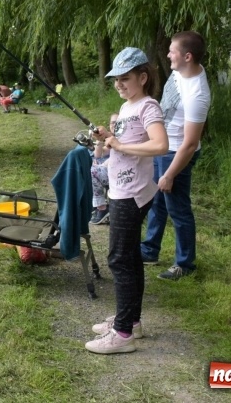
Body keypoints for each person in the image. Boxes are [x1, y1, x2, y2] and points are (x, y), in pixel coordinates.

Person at [85, 47, 168, 355]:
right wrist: (105, 138)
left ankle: (122, 335)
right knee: (130, 257)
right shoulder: (126, 106)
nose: (119, 84)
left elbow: (160, 145)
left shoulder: (148, 106)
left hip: (131, 193)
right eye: (116, 79)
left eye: (125, 78)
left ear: (142, 77)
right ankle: (130, 322)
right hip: (122, 189)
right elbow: (115, 149)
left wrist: (119, 142)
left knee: (119, 259)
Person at [140, 31, 211, 281]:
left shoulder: (197, 95)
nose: (168, 54)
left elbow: (191, 144)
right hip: (164, 147)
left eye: (173, 51)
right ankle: (149, 250)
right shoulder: (179, 72)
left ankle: (185, 264)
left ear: (187, 56)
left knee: (178, 209)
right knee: (157, 201)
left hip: (177, 154)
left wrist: (170, 174)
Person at [89, 112, 119, 225]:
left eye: (117, 122)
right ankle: (96, 205)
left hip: (119, 172)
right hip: (108, 170)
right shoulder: (109, 137)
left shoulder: (123, 136)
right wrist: (99, 139)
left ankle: (101, 208)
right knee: (90, 166)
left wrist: (105, 163)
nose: (114, 125)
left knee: (94, 171)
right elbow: (98, 154)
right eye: (112, 122)